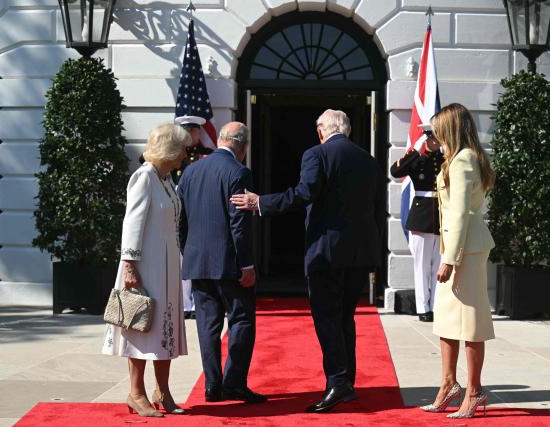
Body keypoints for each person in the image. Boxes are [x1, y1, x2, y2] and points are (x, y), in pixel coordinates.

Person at [231, 109, 384, 413]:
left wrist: (261, 202)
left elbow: (304, 193)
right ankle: (346, 381)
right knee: (344, 318)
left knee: (327, 318)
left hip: (326, 251)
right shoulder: (368, 159)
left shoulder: (317, 154)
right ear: (348, 130)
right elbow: (376, 206)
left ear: (321, 131)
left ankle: (338, 383)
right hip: (359, 251)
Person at [102, 123, 190, 417]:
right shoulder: (144, 177)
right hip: (144, 266)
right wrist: (129, 265)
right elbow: (132, 221)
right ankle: (135, 393)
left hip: (166, 267)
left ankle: (162, 392)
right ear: (170, 150)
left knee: (165, 331)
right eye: (182, 151)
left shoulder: (165, 179)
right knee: (141, 328)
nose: (185, 157)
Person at [177, 121, 267, 404]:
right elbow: (238, 223)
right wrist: (247, 265)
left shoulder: (190, 171)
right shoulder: (239, 172)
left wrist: (188, 250)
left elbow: (180, 220)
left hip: (198, 262)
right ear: (243, 147)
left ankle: (212, 385)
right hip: (230, 263)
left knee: (207, 323)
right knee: (241, 320)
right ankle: (234, 384)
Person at [419, 103, 495, 419]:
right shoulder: (460, 157)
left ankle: (474, 391)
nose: (434, 133)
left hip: (465, 250)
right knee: (447, 320)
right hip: (460, 246)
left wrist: (450, 259)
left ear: (450, 128)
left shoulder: (463, 160)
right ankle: (449, 384)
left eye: (438, 127)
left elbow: (462, 213)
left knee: (471, 322)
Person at [390, 125, 444, 322]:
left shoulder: (446, 160)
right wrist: (417, 146)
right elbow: (396, 170)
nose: (434, 142)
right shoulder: (418, 161)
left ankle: (436, 306)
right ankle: (423, 308)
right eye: (430, 139)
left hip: (441, 216)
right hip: (421, 217)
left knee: (438, 265)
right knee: (421, 265)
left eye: (437, 139)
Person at [173, 115, 214, 320]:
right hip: (176, 211)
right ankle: (184, 304)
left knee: (195, 257)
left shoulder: (206, 155)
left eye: (194, 131)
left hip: (196, 211)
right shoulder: (172, 154)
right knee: (180, 259)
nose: (191, 135)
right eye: (188, 131)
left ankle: (196, 303)